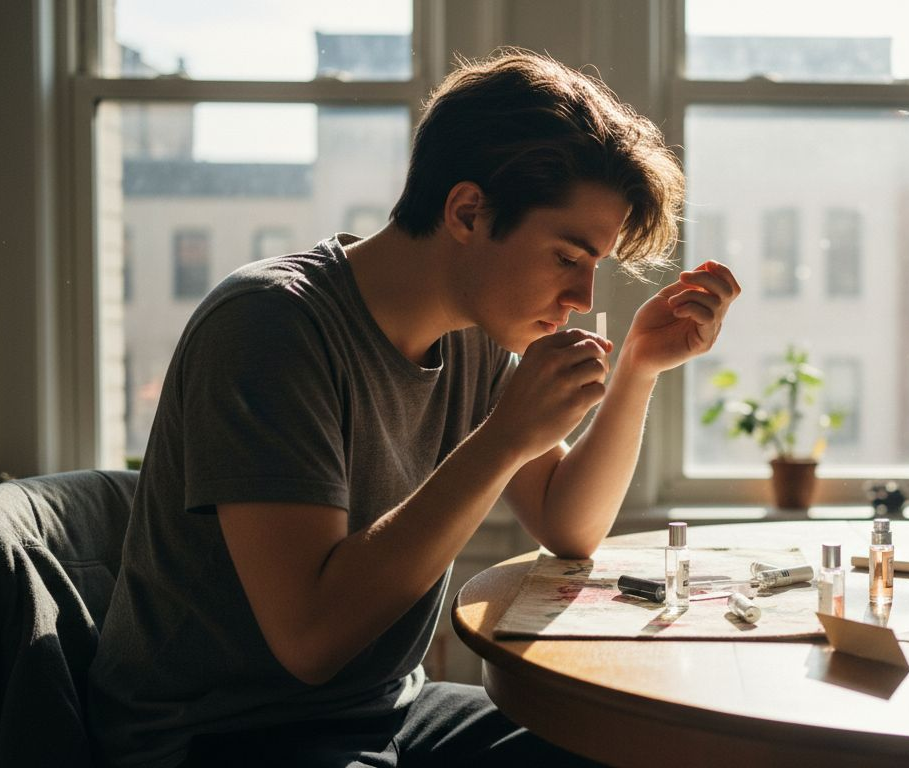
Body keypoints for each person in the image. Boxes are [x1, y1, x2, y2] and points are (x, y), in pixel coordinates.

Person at [88, 49, 740, 767]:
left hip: (381, 711)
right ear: (467, 211)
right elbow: (311, 640)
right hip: (221, 739)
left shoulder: (470, 336)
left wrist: (640, 370)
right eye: (566, 257)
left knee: (628, 749)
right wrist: (503, 438)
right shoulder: (269, 328)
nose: (584, 297)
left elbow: (567, 524)